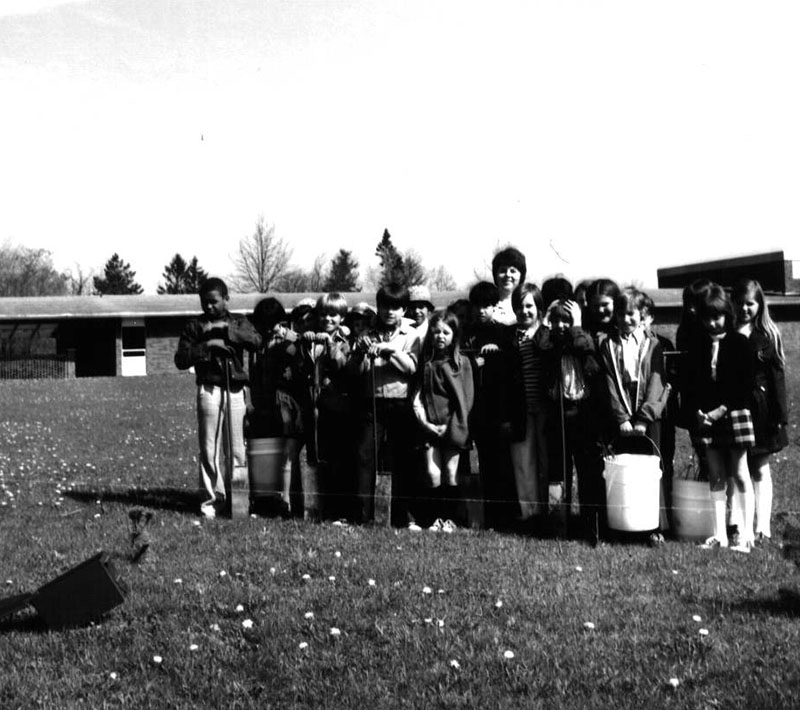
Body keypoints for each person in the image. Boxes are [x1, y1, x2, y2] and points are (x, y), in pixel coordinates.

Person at [174, 277, 262, 519]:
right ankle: (211, 502)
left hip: (234, 390)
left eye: (213, 302)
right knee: (209, 449)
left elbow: (256, 341)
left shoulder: (240, 321)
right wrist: (208, 346)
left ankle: (239, 501)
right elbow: (180, 359)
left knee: (236, 450)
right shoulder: (195, 326)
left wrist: (226, 332)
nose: (209, 307)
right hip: (209, 390)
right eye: (204, 303)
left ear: (226, 299)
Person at [684, 284, 756, 552]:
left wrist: (719, 412)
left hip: (734, 415)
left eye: (718, 316)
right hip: (708, 419)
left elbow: (742, 386)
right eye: (707, 318)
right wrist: (699, 415)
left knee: (739, 472)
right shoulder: (699, 345)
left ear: (727, 314)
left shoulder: (740, 344)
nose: (713, 323)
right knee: (716, 474)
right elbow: (693, 384)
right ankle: (719, 535)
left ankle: (746, 534)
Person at [599, 287, 669, 546]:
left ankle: (655, 526)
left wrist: (644, 417)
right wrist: (621, 418)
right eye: (620, 313)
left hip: (647, 412)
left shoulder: (654, 344)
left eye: (631, 314)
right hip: (622, 410)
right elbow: (609, 383)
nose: (625, 319)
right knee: (623, 468)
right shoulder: (608, 344)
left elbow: (656, 382)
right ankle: (623, 522)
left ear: (643, 315)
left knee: (652, 467)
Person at [350, 282, 421, 527]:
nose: (390, 312)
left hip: (401, 405)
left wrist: (389, 351)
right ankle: (363, 515)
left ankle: (405, 516)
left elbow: (411, 368)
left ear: (404, 310)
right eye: (385, 307)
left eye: (396, 307)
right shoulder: (366, 334)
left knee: (402, 460)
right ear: (378, 308)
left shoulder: (411, 335)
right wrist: (360, 353)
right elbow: (356, 372)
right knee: (365, 458)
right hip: (371, 404)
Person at [540, 298, 603, 540]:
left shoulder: (582, 338)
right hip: (557, 412)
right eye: (555, 320)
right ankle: (559, 524)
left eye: (565, 320)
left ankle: (590, 526)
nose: (560, 325)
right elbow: (542, 344)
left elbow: (584, 347)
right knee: (558, 471)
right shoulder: (549, 342)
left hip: (582, 412)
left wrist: (576, 324)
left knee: (587, 470)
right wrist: (545, 322)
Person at [731, 277, 788, 544]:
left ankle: (763, 526)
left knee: (761, 468)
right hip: (736, 409)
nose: (744, 309)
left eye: (750, 304)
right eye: (740, 303)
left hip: (763, 410)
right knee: (739, 469)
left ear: (759, 304)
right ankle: (739, 522)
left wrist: (780, 415)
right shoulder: (728, 333)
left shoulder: (768, 335)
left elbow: (778, 379)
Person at [464, 281, 524, 530]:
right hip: (475, 410)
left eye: (487, 306)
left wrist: (496, 352)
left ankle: (508, 517)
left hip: (499, 410)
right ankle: (485, 517)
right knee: (484, 466)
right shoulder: (466, 333)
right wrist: (472, 360)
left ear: (495, 306)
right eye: (477, 306)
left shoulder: (504, 333)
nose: (481, 311)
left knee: (502, 465)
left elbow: (512, 372)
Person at [412, 310, 475, 532]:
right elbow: (419, 396)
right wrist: (427, 424)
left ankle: (452, 519)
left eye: (445, 332)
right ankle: (435, 518)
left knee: (451, 473)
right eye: (436, 331)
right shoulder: (427, 363)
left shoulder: (461, 363)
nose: (440, 336)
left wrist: (453, 425)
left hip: (453, 427)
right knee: (432, 472)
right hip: (429, 427)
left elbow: (465, 398)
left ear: (454, 335)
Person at [248, 296, 301, 516]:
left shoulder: (288, 342)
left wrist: (288, 338)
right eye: (265, 325)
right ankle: (266, 498)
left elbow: (299, 354)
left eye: (274, 324)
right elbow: (254, 375)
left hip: (285, 403)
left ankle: (286, 500)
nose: (270, 329)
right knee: (267, 452)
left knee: (286, 453)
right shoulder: (258, 345)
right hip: (264, 403)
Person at [509, 283, 549, 530]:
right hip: (520, 409)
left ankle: (548, 511)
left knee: (546, 462)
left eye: (529, 306)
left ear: (539, 308)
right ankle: (529, 512)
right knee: (523, 461)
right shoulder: (510, 337)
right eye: (519, 306)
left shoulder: (547, 334)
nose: (524, 311)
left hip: (544, 408)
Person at [490, 246, 527, 325]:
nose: (508, 275)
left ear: (521, 276)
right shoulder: (486, 305)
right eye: (503, 271)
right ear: (495, 275)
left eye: (513, 271)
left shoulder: (526, 305)